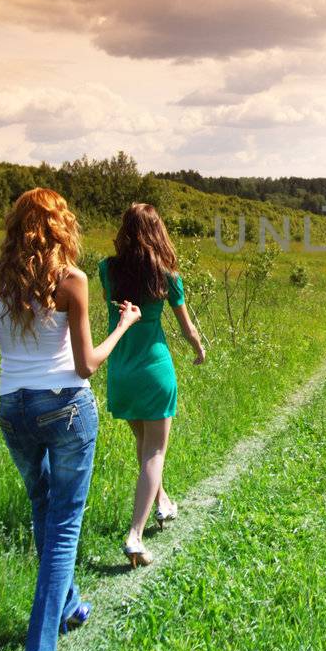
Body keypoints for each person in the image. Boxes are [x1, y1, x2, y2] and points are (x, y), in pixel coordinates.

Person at [0, 187, 141, 651]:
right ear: (62, 228)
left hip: (14, 412)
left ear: (15, 227)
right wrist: (123, 325)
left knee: (43, 508)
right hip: (68, 409)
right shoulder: (71, 281)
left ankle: (70, 604)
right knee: (63, 529)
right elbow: (85, 366)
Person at [97, 203, 206, 567]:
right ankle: (135, 535)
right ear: (158, 232)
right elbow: (187, 328)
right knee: (154, 453)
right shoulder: (168, 276)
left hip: (121, 369)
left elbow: (116, 308)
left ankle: (162, 503)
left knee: (144, 447)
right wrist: (199, 349)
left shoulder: (106, 270)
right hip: (154, 369)